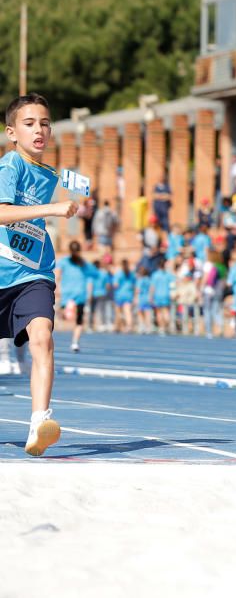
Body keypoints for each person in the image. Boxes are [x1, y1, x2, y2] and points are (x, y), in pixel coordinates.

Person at [1, 93, 79, 456]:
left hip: (34, 272)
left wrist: (77, 199)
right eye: (30, 123)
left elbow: (65, 196)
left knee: (43, 337)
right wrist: (54, 208)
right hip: (2, 269)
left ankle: (40, 421)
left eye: (45, 123)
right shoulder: (9, 166)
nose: (40, 130)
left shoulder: (51, 173)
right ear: (11, 132)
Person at [55, 241, 96, 352]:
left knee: (70, 318)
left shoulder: (65, 261)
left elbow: (57, 275)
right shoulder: (83, 263)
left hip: (69, 294)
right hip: (78, 293)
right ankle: (75, 342)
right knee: (78, 320)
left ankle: (72, 340)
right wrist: (89, 292)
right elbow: (91, 278)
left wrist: (57, 288)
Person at [149, 259, 176, 335]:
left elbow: (152, 287)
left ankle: (162, 327)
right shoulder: (168, 274)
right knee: (166, 312)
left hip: (157, 295)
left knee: (159, 313)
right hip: (166, 295)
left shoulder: (155, 275)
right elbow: (173, 285)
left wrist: (151, 296)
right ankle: (166, 326)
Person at [113, 258, 136, 333]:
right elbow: (134, 285)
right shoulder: (131, 274)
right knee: (127, 312)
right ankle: (129, 326)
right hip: (128, 294)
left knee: (118, 312)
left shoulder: (118, 274)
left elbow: (115, 285)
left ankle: (118, 326)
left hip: (119, 295)